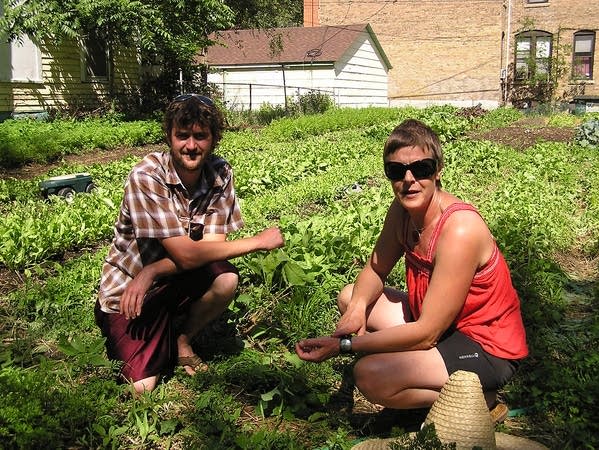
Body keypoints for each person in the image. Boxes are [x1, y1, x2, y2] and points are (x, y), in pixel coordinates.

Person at [295, 119, 527, 421]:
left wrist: (343, 345)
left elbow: (426, 334)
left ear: (438, 170)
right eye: (396, 171)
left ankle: (480, 400)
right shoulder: (402, 209)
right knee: (351, 296)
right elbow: (376, 269)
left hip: (484, 345)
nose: (409, 179)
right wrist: (354, 312)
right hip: (441, 324)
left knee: (369, 375)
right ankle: (432, 374)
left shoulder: (459, 230)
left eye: (421, 168)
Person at [96, 93, 284, 394]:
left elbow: (209, 249)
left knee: (225, 278)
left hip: (167, 276)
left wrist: (154, 270)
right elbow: (186, 254)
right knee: (141, 388)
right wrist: (258, 242)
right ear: (169, 136)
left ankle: (183, 336)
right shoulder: (147, 176)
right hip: (129, 289)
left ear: (214, 139)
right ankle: (156, 334)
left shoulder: (220, 173)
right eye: (182, 136)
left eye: (200, 136)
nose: (191, 146)